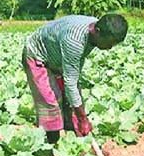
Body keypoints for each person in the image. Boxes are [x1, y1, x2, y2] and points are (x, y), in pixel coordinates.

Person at [22, 14, 128, 144]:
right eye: (109, 43)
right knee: (50, 103)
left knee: (71, 103)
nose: (110, 47)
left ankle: (76, 145)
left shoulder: (96, 27)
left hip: (58, 58)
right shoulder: (74, 41)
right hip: (38, 56)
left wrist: (79, 113)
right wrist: (83, 119)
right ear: (97, 32)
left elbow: (72, 80)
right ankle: (53, 145)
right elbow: (70, 83)